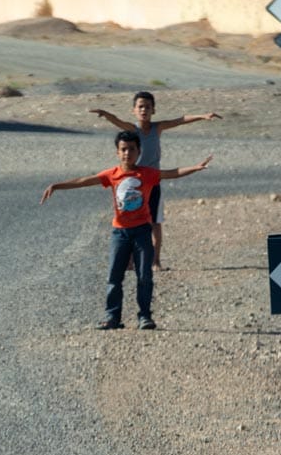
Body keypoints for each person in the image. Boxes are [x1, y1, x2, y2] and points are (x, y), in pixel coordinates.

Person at [40, 131, 213, 331]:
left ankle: (145, 317)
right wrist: (57, 186)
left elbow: (172, 172)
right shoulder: (111, 175)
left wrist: (196, 167)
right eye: (123, 149)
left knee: (144, 275)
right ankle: (112, 317)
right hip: (119, 233)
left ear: (139, 151)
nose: (127, 153)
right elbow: (84, 181)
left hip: (142, 232)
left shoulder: (147, 174)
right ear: (117, 152)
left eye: (132, 149)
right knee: (114, 277)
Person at [89, 91, 221, 269]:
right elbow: (117, 121)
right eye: (140, 107)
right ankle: (128, 261)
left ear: (153, 110)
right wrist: (105, 114)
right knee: (128, 221)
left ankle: (155, 261)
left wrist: (203, 116)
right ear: (134, 110)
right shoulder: (131, 130)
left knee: (155, 223)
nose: (144, 110)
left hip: (152, 183)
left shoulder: (157, 128)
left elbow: (180, 120)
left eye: (147, 107)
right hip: (131, 184)